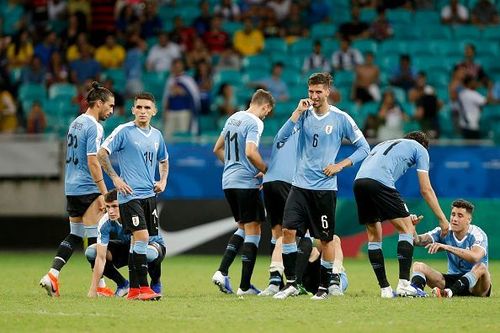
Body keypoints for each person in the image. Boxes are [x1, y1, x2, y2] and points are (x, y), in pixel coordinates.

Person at [273, 72, 370, 300]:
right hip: (300, 186)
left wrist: (340, 165)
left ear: (327, 91)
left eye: (318, 92)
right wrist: (296, 112)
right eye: (311, 92)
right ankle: (292, 284)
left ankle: (324, 288)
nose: (314, 96)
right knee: (288, 231)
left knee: (325, 240)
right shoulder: (303, 115)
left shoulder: (340, 118)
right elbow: (279, 139)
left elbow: (364, 148)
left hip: (324, 190)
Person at [40, 81, 114, 297]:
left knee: (75, 235)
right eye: (109, 106)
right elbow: (93, 161)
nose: (111, 111)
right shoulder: (94, 126)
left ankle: (52, 274)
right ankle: (98, 286)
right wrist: (103, 191)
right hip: (88, 187)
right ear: (99, 103)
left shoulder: (76, 123)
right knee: (95, 238)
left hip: (71, 187)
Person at [353, 131, 449, 298]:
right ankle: (405, 284)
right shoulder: (420, 149)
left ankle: (385, 289)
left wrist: (404, 216)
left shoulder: (385, 143)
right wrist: (442, 219)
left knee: (374, 236)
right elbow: (426, 189)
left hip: (359, 183)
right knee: (407, 230)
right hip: (380, 182)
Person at [98, 92, 168, 301]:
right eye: (139, 107)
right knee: (142, 238)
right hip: (130, 196)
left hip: (149, 196)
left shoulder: (157, 135)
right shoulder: (124, 131)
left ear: (154, 111)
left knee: (140, 241)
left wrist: (162, 181)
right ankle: (144, 288)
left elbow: (164, 160)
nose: (143, 111)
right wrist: (116, 179)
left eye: (147, 108)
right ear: (133, 110)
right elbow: (102, 153)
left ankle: (135, 290)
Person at [211, 89, 274, 296]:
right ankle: (244, 286)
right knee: (254, 231)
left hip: (227, 181)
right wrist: (266, 171)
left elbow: (217, 149)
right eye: (267, 111)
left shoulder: (233, 118)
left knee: (243, 228)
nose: (266, 115)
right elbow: (250, 151)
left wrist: (232, 165)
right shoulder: (255, 122)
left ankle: (222, 271)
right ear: (264, 106)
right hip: (246, 183)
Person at [86, 189, 166, 298]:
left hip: (152, 245)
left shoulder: (136, 214)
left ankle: (155, 282)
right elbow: (100, 258)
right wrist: (92, 290)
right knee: (92, 252)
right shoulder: (105, 222)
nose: (111, 211)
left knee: (148, 254)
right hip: (127, 247)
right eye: (108, 207)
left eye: (114, 206)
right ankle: (123, 284)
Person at [411, 199, 491, 298]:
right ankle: (416, 291)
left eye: (460, 216)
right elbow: (417, 241)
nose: (454, 219)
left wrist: (446, 247)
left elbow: (475, 257)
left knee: (481, 267)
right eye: (453, 214)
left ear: (469, 220)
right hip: (451, 281)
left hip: (476, 286)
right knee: (418, 266)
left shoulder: (477, 234)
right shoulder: (444, 231)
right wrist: (412, 228)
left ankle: (450, 292)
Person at [258, 121, 299, 296]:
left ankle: (276, 281)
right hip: (286, 182)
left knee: (276, 232)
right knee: (289, 233)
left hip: (269, 182)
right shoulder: (305, 135)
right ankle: (278, 282)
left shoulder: (282, 134)